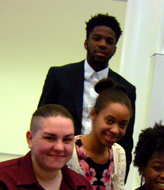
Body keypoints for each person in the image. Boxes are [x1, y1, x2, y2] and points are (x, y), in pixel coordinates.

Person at [38, 13, 136, 174]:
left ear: (115, 49)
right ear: (86, 42)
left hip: (103, 168)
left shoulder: (126, 89)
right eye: (97, 38)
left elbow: (126, 140)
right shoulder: (60, 76)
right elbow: (42, 120)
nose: (102, 44)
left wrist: (118, 177)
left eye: (109, 41)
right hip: (60, 161)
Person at [67, 78, 132, 190]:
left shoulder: (119, 153)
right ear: (94, 115)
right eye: (109, 121)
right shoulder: (69, 149)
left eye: (122, 125)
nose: (115, 130)